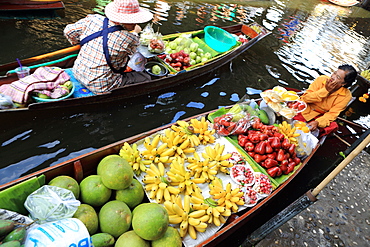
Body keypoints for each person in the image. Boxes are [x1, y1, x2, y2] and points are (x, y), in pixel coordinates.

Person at [63, 0, 153, 95]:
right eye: (133, 20)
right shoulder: (131, 39)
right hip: (100, 86)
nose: (136, 23)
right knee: (146, 78)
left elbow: (68, 31)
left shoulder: (92, 19)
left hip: (77, 71)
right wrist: (135, 32)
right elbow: (136, 60)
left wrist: (80, 42)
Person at [294, 64, 357, 136]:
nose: (333, 77)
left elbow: (332, 114)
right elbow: (305, 98)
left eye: (338, 77)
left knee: (333, 126)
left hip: (319, 116)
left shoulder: (346, 96)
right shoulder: (321, 79)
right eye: (334, 73)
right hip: (305, 107)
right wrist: (326, 90)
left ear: (344, 83)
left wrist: (317, 122)